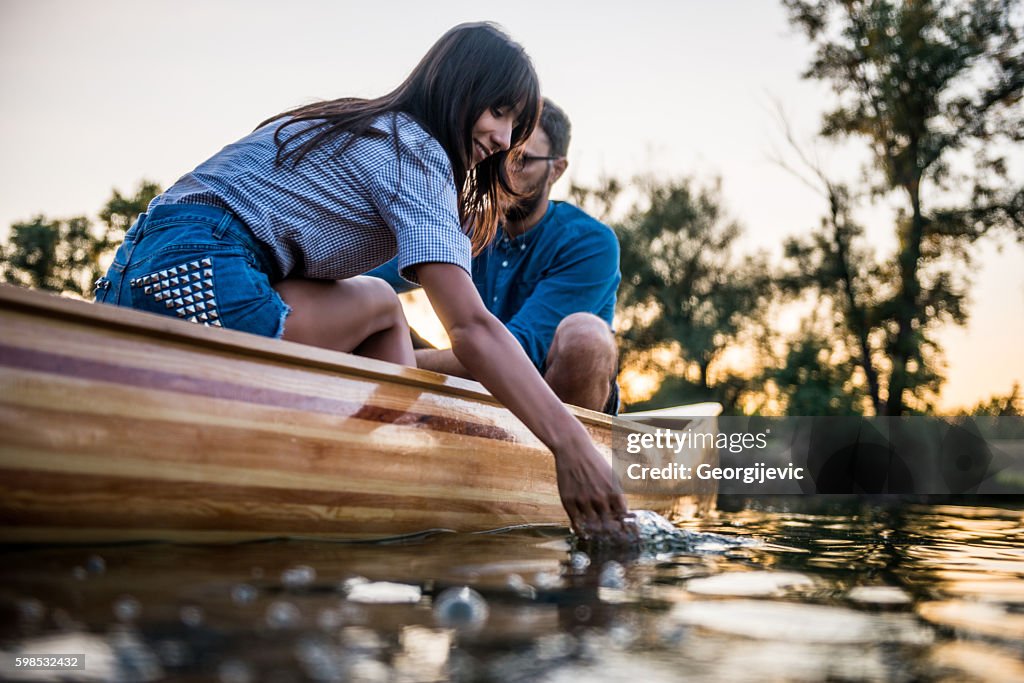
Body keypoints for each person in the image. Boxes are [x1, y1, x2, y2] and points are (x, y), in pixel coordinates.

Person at [93, 22, 630, 543]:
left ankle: (360, 463)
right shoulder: (415, 152)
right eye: (498, 112)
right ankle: (384, 478)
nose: (502, 139)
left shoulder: (354, 124)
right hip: (210, 278)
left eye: (516, 127)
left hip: (130, 280)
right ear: (458, 87)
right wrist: (570, 444)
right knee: (380, 305)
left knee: (377, 305)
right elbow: (470, 326)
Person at [369, 98, 621, 414]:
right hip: (479, 381)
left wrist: (391, 362)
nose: (504, 172)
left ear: (556, 169)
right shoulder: (465, 225)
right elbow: (369, 274)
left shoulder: (589, 242)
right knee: (366, 300)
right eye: (501, 157)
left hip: (549, 388)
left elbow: (523, 351)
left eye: (522, 160)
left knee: (586, 337)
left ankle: (570, 454)